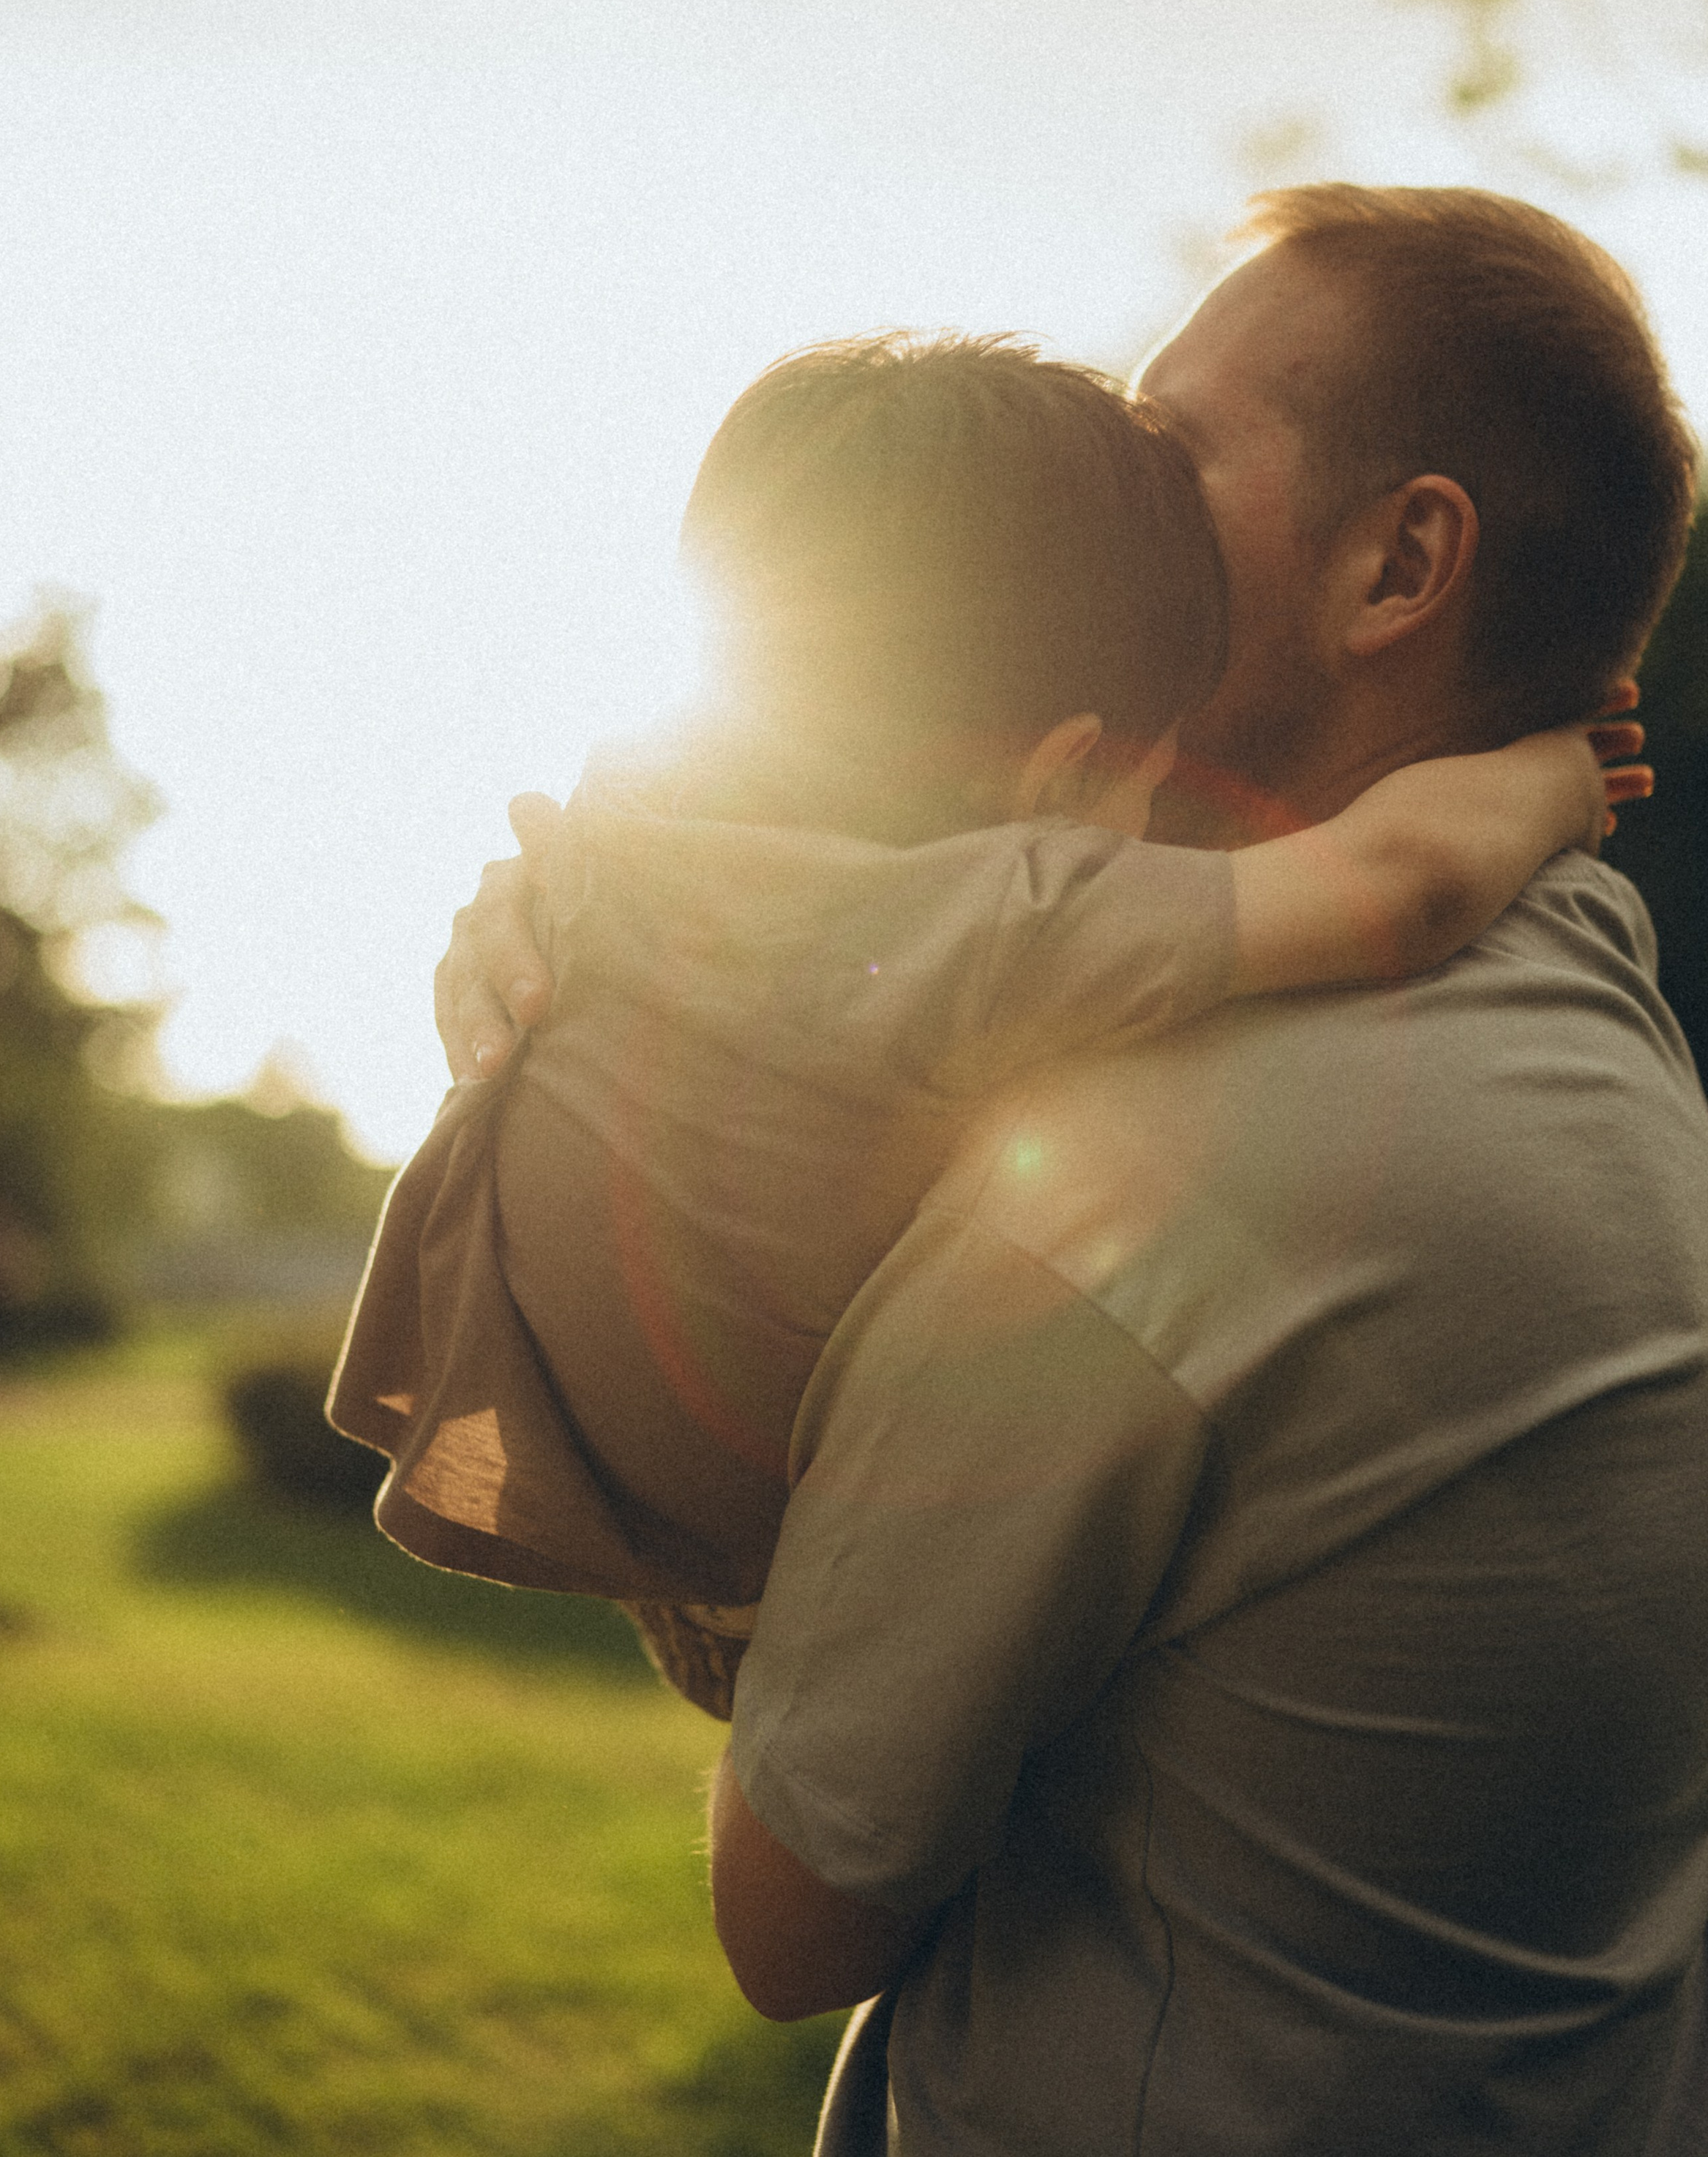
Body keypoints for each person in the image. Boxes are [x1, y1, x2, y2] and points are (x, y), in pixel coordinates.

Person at [446, 187, 1708, 2156]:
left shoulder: (1138, 1171)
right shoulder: (1603, 1011)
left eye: (1170, 442)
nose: (1097, 484)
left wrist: (644, 1127)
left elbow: (791, 1910)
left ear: (1403, 563)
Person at [330, 337, 1621, 1718]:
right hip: (752, 1542)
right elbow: (1402, 886)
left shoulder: (618, 822)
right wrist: (1555, 770)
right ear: (1070, 768)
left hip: (523, 1386)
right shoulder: (1002, 917)